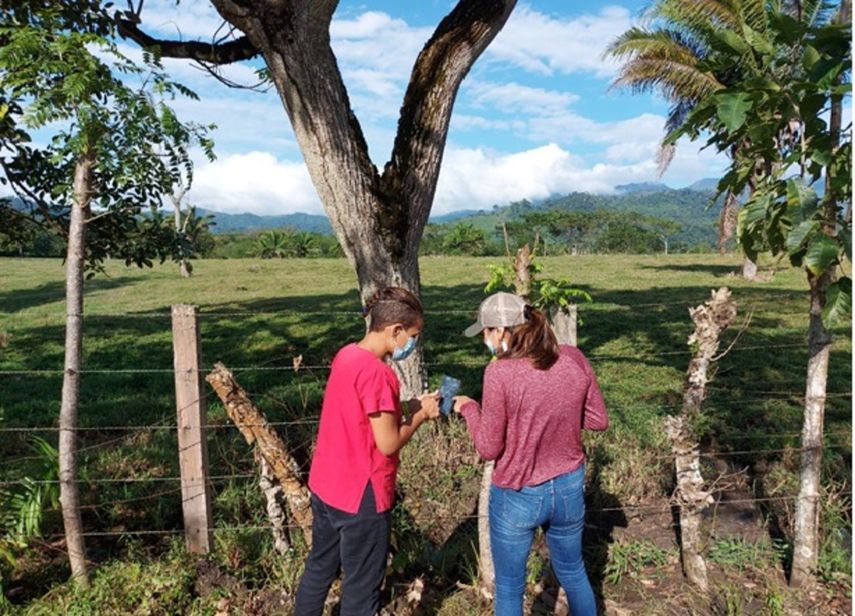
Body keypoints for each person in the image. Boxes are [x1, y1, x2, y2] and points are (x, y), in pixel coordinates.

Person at [453, 292, 608, 616]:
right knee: (574, 572)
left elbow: (488, 447)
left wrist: (469, 408)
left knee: (509, 588)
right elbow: (597, 420)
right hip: (568, 487)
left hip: (518, 494)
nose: (484, 338)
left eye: (486, 331)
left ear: (504, 332)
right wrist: (556, 412)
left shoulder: (500, 373)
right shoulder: (573, 357)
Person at [294, 286, 441, 616]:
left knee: (319, 568)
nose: (413, 345)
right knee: (361, 588)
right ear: (395, 331)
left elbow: (362, 414)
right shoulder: (380, 374)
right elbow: (387, 442)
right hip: (362, 496)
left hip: (326, 485)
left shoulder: (347, 355)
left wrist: (408, 406)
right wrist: (420, 414)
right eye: (413, 336)